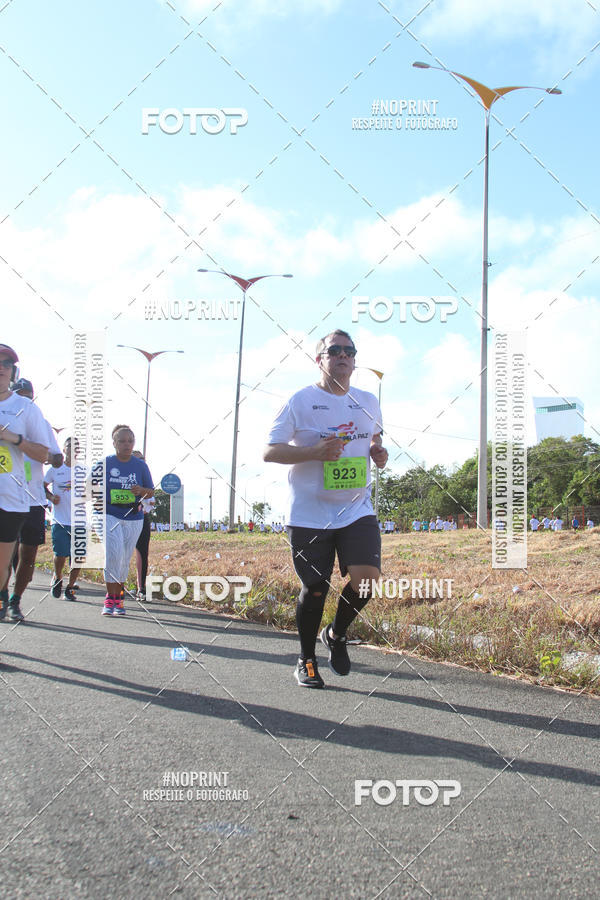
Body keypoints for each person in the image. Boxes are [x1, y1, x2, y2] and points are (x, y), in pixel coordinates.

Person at [264, 329, 388, 688]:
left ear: (355, 360)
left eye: (349, 351)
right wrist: (314, 452)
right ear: (320, 359)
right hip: (309, 512)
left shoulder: (368, 400)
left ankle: (335, 634)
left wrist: (377, 452)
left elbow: (375, 435)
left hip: (355, 509)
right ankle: (305, 659)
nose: (343, 355)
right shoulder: (300, 401)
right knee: (315, 589)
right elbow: (270, 451)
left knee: (366, 581)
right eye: (334, 350)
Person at [2, 378, 63, 612]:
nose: (26, 400)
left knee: (27, 556)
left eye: (30, 396)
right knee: (6, 558)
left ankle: (16, 601)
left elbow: (57, 459)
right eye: (21, 395)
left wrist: (45, 455)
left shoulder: (39, 420)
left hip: (33, 500)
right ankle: (3, 597)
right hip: (7, 498)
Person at [0, 345, 50, 622]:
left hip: (20, 500)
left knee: (16, 563)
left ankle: (14, 600)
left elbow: (48, 454)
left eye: (7, 363)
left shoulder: (28, 411)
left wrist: (15, 440)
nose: (1, 367)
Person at [97, 425, 154, 616]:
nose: (127, 444)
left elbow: (151, 491)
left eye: (130, 441)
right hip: (109, 514)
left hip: (133, 518)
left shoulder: (140, 466)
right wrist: (96, 498)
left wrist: (141, 491)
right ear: (114, 443)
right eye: (122, 441)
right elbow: (87, 485)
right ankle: (109, 598)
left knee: (123, 559)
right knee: (112, 553)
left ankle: (119, 599)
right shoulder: (104, 463)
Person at [44, 437, 81, 601]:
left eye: (76, 447)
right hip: (60, 520)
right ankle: (57, 577)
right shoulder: (55, 469)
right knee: (60, 555)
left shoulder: (84, 470)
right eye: (70, 447)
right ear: (64, 450)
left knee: (78, 558)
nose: (73, 450)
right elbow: (41, 486)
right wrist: (51, 498)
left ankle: (70, 588)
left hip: (79, 521)